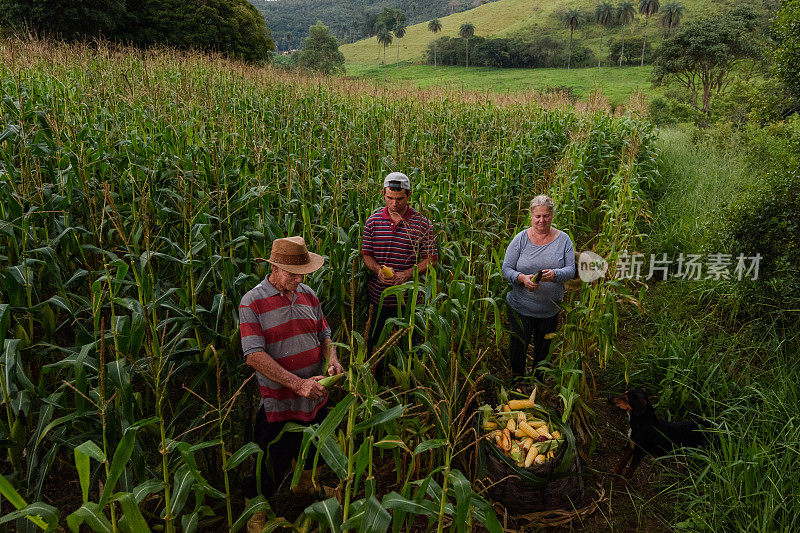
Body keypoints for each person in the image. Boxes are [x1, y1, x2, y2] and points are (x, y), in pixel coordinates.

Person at [239, 236, 343, 509]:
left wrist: (332, 357)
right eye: (293, 274)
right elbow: (254, 356)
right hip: (280, 402)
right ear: (274, 268)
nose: (299, 280)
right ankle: (255, 514)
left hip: (315, 395)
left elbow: (324, 334)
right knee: (270, 464)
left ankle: (306, 486)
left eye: (302, 274)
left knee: (314, 451)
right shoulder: (252, 303)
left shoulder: (308, 294)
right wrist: (297, 384)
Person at [361, 172, 438, 383]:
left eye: (400, 198)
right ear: (383, 194)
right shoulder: (373, 222)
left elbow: (431, 259)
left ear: (409, 195)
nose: (394, 204)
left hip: (410, 300)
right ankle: (376, 385)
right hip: (380, 297)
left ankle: (410, 389)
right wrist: (377, 270)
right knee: (375, 344)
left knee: (411, 347)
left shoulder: (422, 224)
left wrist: (406, 274)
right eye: (389, 198)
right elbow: (367, 255)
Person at [501, 195, 575, 381]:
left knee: (544, 352)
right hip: (521, 308)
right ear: (531, 216)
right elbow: (506, 269)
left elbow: (571, 270)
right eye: (538, 216)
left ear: (552, 215)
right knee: (519, 347)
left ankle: (537, 384)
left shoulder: (563, 240)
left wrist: (556, 275)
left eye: (546, 216)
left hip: (550, 309)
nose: (542, 220)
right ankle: (517, 382)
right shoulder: (520, 240)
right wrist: (522, 279)